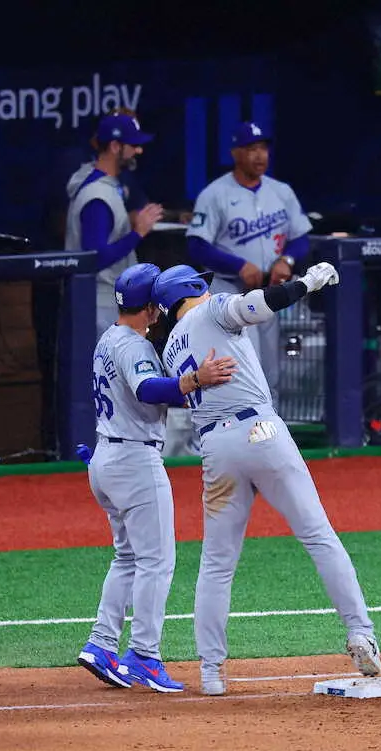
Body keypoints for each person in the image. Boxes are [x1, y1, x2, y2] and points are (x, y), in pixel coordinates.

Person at [152, 262, 381, 696]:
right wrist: (308, 283)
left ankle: (211, 672)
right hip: (261, 431)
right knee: (318, 535)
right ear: (192, 287)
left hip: (215, 449)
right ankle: (360, 632)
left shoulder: (170, 350)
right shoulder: (213, 310)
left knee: (217, 564)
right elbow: (262, 304)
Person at [76, 263, 237, 693]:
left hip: (106, 458)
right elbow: (148, 389)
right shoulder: (136, 346)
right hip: (134, 461)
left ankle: (101, 644)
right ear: (151, 308)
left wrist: (190, 387)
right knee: (156, 562)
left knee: (128, 557)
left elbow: (145, 395)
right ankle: (144, 654)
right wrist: (195, 379)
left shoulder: (109, 338)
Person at [185, 122, 314, 410]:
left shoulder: (281, 191)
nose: (259, 155)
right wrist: (238, 265)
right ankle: (241, 430)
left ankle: (271, 430)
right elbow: (196, 245)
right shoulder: (214, 194)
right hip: (230, 294)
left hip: (269, 293)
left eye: (263, 148)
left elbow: (301, 238)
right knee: (242, 373)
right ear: (235, 153)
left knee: (271, 373)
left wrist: (287, 259)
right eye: (251, 149)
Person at [64, 112, 164, 341]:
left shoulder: (104, 185)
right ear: (115, 146)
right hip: (98, 304)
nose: (139, 151)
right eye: (133, 145)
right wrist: (137, 233)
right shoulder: (97, 196)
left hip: (105, 300)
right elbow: (95, 258)